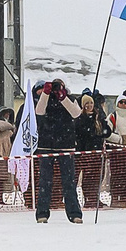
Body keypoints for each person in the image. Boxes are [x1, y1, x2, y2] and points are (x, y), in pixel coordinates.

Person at [33, 80, 84, 222]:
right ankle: (42, 213)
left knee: (69, 181)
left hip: (66, 145)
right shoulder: (45, 98)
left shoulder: (70, 98)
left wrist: (63, 97)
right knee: (45, 181)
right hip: (46, 145)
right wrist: (46, 93)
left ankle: (74, 213)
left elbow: (76, 113)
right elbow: (39, 111)